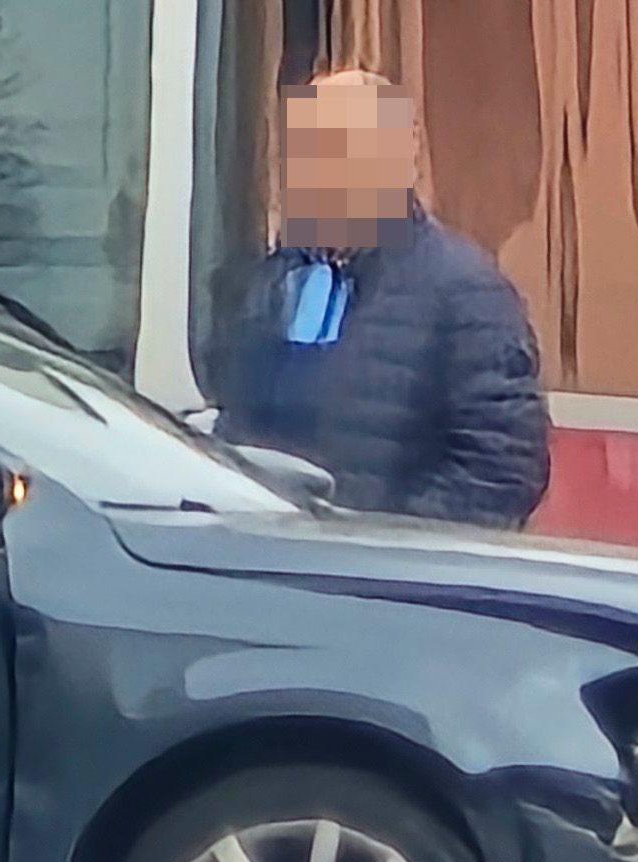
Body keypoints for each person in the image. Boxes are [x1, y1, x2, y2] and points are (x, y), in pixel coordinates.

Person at [219, 68, 552, 527]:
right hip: (274, 552)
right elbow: (240, 421)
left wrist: (388, 540)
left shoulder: (466, 291)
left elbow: (501, 470)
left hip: (384, 562)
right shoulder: (278, 279)